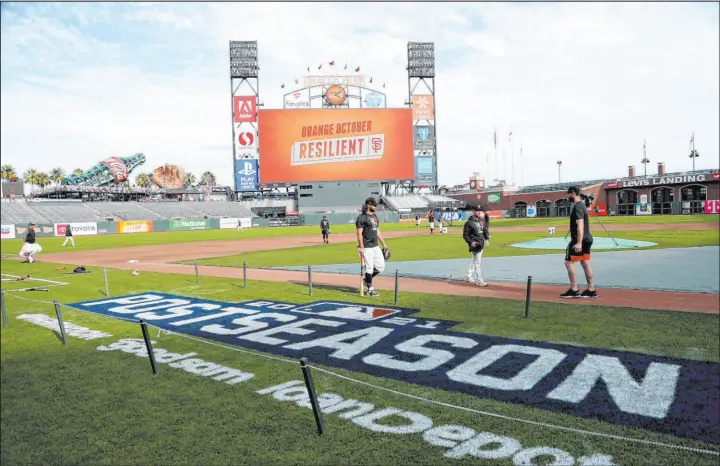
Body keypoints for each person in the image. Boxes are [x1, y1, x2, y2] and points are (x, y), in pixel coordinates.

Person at [562, 186, 597, 298]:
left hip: (580, 239)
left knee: (568, 262)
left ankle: (574, 289)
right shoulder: (582, 205)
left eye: (568, 194)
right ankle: (591, 289)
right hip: (588, 239)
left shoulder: (577, 207)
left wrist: (578, 243)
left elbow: (580, 226)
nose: (567, 196)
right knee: (585, 263)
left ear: (573, 193)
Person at [356, 197, 388, 297]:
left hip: (375, 246)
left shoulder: (374, 217)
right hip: (366, 247)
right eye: (374, 205)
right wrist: (361, 247)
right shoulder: (361, 217)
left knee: (380, 266)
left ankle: (366, 280)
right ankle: (370, 289)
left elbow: (377, 231)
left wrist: (384, 244)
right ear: (369, 205)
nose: (376, 207)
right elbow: (359, 233)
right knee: (369, 268)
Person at [462, 205, 490, 286]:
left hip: (481, 244)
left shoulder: (480, 221)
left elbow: (484, 230)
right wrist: (471, 242)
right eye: (477, 211)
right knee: (477, 263)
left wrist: (487, 239)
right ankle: (479, 280)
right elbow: (465, 235)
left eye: (480, 211)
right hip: (475, 245)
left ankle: (468, 275)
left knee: (475, 261)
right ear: (473, 211)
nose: (479, 212)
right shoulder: (468, 223)